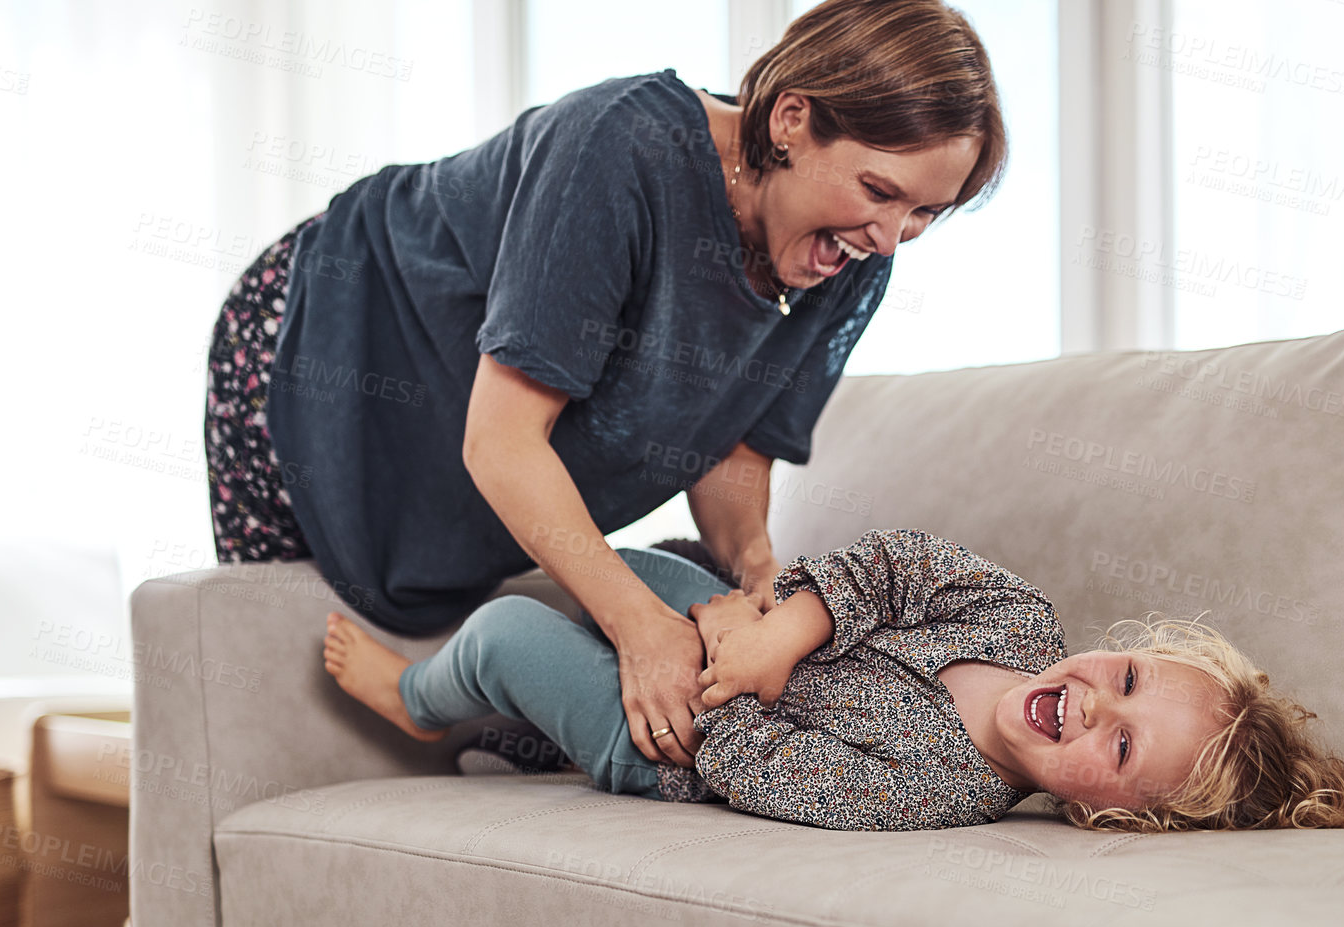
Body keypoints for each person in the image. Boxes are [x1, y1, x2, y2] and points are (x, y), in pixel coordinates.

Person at [204, 0, 1009, 771]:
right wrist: (637, 627)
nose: (890, 238)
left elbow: (728, 443)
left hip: (467, 445)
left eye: (924, 214)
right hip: (328, 332)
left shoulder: (847, 254)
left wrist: (760, 573)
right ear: (791, 120)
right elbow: (503, 443)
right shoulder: (619, 148)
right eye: (879, 191)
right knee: (261, 665)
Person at [320, 528, 1344, 832]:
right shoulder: (1019, 621)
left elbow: (773, 772)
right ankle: (522, 736)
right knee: (609, 562)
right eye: (1124, 675)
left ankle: (419, 704)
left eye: (1119, 746)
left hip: (673, 742)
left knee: (512, 631)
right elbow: (899, 564)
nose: (1092, 701)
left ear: (1110, 820)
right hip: (745, 636)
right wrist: (774, 625)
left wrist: (710, 658)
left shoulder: (938, 793)